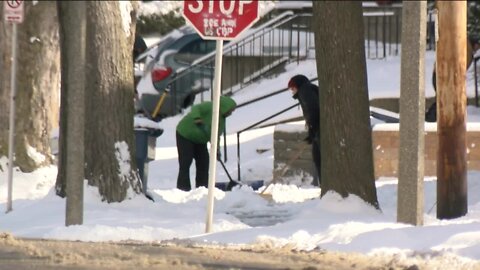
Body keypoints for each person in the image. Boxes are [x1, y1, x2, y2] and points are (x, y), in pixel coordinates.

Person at [176, 96, 237, 191]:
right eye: (231, 110)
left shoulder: (221, 120)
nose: (231, 113)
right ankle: (183, 189)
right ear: (225, 106)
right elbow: (196, 108)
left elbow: (216, 136)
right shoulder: (210, 106)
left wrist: (217, 149)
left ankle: (202, 189)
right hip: (185, 134)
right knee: (185, 162)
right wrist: (197, 118)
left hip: (200, 140)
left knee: (204, 163)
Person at [425, 36, 480, 122]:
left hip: (442, 73)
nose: (478, 49)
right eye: (478, 46)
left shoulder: (465, 46)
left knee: (443, 98)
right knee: (443, 99)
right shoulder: (467, 49)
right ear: (475, 44)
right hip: (445, 75)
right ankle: (430, 117)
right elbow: (461, 66)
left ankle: (432, 117)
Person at [288, 75, 320, 187]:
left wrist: (313, 128)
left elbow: (314, 109)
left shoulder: (305, 91)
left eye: (292, 88)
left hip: (320, 130)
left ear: (297, 86)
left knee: (319, 159)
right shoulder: (305, 91)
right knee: (317, 158)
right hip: (318, 129)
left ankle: (326, 188)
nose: (292, 91)